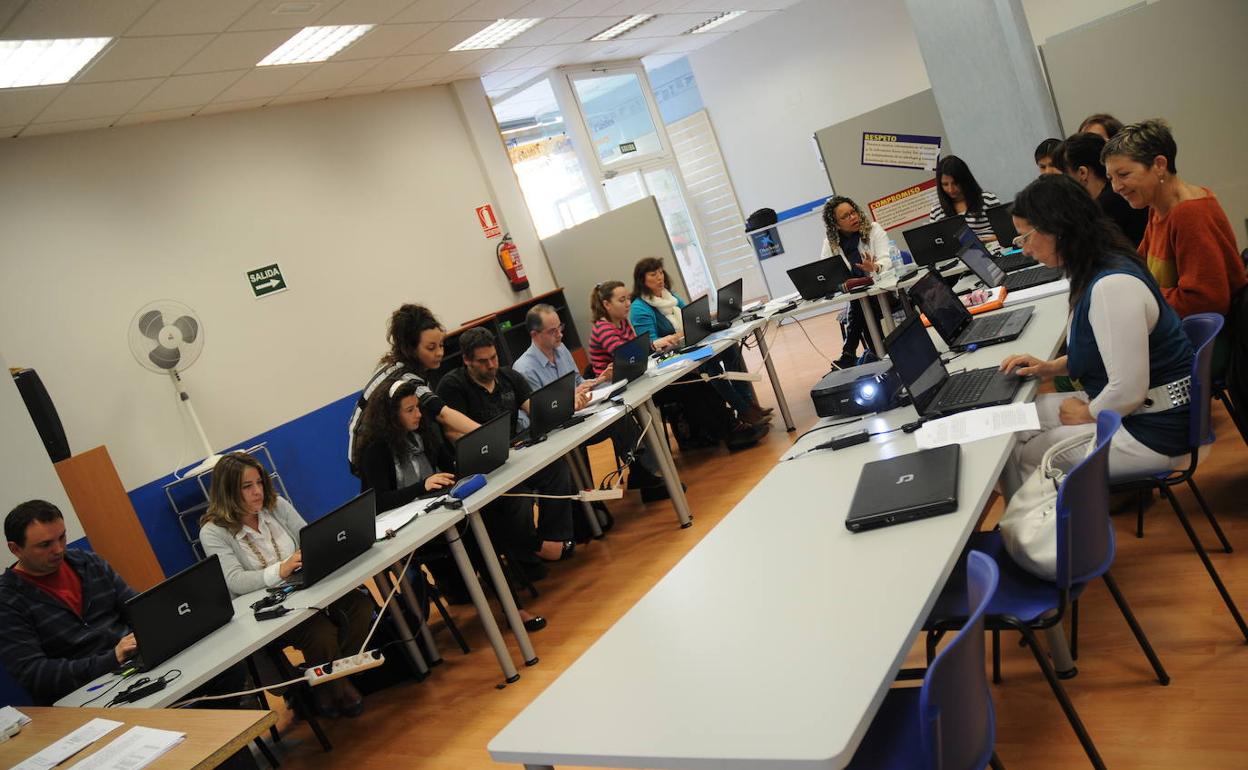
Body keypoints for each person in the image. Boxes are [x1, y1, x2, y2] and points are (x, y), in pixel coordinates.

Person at [997, 174, 1194, 498]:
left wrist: (1087, 414)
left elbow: (1128, 389)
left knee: (1025, 457)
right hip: (1140, 410)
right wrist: (1050, 367)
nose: (1026, 250)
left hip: (1152, 430)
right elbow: (1109, 352)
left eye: (1026, 238)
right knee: (1015, 421)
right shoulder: (1102, 263)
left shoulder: (1110, 286)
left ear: (1058, 227)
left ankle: (1050, 543)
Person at [0, 501, 248, 708]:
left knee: (228, 670)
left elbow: (138, 608)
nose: (59, 549)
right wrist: (111, 657)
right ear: (15, 549)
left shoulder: (87, 563)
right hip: (83, 695)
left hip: (133, 667)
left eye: (62, 537)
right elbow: (35, 674)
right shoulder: (8, 600)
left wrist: (160, 633)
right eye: (45, 545)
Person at [354, 377, 549, 631]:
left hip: (440, 514)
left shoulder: (425, 433)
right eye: (410, 410)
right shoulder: (376, 451)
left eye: (418, 408)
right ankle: (514, 604)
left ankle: (514, 600)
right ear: (391, 416)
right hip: (408, 532)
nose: (418, 415)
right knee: (475, 536)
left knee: (488, 519)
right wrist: (421, 486)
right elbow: (377, 502)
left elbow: (450, 467)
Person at [200, 452, 374, 718]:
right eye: (247, 487)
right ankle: (339, 687)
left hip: (307, 586)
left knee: (360, 606)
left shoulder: (276, 505)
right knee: (319, 632)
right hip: (268, 607)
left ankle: (324, 685)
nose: (258, 492)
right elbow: (235, 581)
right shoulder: (213, 532)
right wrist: (280, 571)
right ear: (227, 492)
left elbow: (310, 538)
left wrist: (312, 557)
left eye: (259, 482)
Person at [436, 326, 584, 541]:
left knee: (557, 469)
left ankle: (554, 539)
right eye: (483, 361)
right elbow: (452, 433)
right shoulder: (452, 386)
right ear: (467, 360)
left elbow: (535, 408)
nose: (491, 365)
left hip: (514, 454)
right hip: (482, 466)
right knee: (518, 496)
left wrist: (566, 406)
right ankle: (531, 552)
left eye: (494, 357)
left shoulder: (508, 376)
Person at [1102, 119, 1246, 324]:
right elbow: (1138, 266)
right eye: (1111, 178)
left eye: (1123, 174)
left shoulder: (1188, 214)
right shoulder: (1158, 206)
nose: (1116, 187)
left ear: (1159, 165)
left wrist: (1138, 297)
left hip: (1211, 341)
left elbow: (1207, 301)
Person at [625, 260, 770, 447]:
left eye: (660, 272)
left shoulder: (671, 296)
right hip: (670, 357)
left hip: (688, 345)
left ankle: (748, 404)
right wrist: (679, 335)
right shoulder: (639, 307)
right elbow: (652, 344)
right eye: (653, 274)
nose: (659, 277)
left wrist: (717, 313)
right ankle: (742, 408)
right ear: (642, 280)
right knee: (708, 361)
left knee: (731, 347)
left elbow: (691, 318)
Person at [347, 304, 480, 474]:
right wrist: (488, 433)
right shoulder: (403, 376)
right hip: (367, 452)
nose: (439, 352)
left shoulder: (418, 368)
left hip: (398, 442)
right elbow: (442, 413)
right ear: (411, 349)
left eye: (441, 344)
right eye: (431, 348)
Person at [584, 282, 684, 500]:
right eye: (622, 300)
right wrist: (651, 345)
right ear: (606, 304)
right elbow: (626, 353)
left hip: (628, 381)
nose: (628, 303)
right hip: (610, 390)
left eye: (628, 298)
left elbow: (636, 352)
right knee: (640, 419)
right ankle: (653, 472)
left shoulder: (622, 323)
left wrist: (655, 345)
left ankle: (649, 472)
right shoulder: (603, 327)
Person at [819, 196, 889, 368]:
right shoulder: (831, 243)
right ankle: (880, 354)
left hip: (884, 292)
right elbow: (825, 271)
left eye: (853, 212)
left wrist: (875, 267)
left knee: (860, 303)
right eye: (846, 216)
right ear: (835, 224)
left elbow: (887, 259)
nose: (853, 217)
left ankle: (851, 352)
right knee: (861, 302)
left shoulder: (873, 230)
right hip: (860, 299)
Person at [1059, 131, 1148, 245]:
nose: (1064, 181)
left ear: (1082, 172)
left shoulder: (1106, 206)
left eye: (1065, 174)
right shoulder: (1110, 197)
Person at [929, 155, 1003, 253]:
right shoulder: (937, 211)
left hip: (994, 252)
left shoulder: (987, 199)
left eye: (955, 183)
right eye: (945, 184)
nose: (951, 189)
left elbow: (1005, 233)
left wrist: (980, 241)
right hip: (958, 261)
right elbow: (938, 246)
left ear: (965, 180)